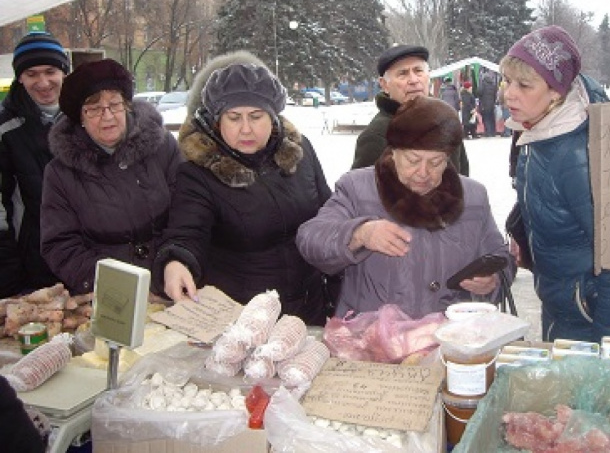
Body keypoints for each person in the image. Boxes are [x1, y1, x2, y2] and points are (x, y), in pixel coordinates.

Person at [500, 25, 610, 342]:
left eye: (524, 85)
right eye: (506, 80)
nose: (508, 93)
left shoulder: (578, 155)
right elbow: (553, 198)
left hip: (595, 318)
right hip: (566, 304)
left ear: (556, 91)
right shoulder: (541, 129)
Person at [153, 52, 332, 326]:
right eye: (234, 117)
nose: (246, 129)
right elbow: (187, 232)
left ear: (273, 118)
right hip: (243, 317)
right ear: (216, 121)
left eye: (256, 116)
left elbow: (327, 212)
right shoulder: (198, 173)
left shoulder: (300, 152)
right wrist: (176, 261)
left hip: (310, 307)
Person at [297, 96, 512, 319]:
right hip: (373, 340)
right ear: (394, 151)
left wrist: (493, 279)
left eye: (436, 162)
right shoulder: (357, 189)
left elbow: (499, 256)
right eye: (412, 160)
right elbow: (310, 239)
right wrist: (360, 234)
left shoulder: (473, 196)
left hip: (448, 338)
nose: (423, 172)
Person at [40, 59, 183, 294]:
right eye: (94, 109)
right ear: (80, 119)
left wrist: (176, 260)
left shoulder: (163, 147)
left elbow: (187, 213)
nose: (107, 116)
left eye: (114, 104)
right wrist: (114, 285)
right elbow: (61, 245)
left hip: (171, 279)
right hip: (109, 295)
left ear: (126, 105)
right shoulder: (60, 173)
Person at [0, 32, 70, 296]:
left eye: (50, 71)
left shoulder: (86, 117)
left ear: (63, 71)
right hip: (31, 259)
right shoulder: (6, 128)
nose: (43, 82)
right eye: (32, 73)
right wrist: (7, 265)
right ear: (19, 77)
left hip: (85, 252)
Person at [351, 44, 470, 175]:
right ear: (384, 85)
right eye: (403, 74)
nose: (413, 80)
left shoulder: (446, 121)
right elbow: (361, 192)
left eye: (418, 71)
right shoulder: (378, 135)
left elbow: (463, 180)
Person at [477, 68, 500, 137]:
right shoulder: (493, 85)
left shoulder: (483, 84)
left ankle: (488, 132)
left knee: (486, 118)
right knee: (491, 118)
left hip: (484, 104)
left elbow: (479, 92)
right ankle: (493, 132)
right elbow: (495, 94)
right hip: (491, 104)